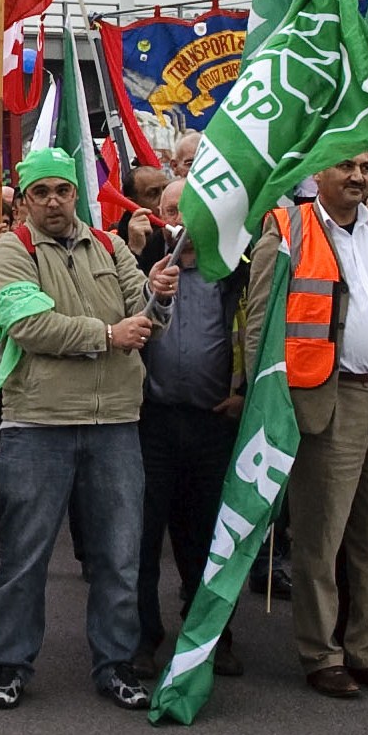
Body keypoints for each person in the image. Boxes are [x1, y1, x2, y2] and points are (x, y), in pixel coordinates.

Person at [236, 153, 368, 702]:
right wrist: (262, 397)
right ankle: (321, 654)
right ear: (317, 176)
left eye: (365, 168)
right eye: (345, 166)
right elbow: (259, 321)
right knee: (321, 536)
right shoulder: (288, 230)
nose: (357, 176)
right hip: (329, 399)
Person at [0, 146, 161, 711]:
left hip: (115, 424)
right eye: (41, 193)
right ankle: (10, 665)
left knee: (118, 556)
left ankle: (116, 665)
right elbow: (29, 323)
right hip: (38, 425)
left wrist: (160, 293)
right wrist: (108, 336)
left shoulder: (109, 245)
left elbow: (145, 314)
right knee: (24, 556)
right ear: (25, 201)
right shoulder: (12, 248)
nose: (53, 201)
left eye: (62, 190)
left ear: (76, 194)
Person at [133, 208, 243, 686]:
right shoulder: (142, 272)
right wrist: (145, 276)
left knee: (206, 539)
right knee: (140, 538)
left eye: (192, 209)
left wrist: (243, 391)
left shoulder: (234, 275)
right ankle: (140, 638)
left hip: (211, 422)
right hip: (150, 422)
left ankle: (211, 636)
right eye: (173, 210)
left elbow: (253, 332)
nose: (183, 220)